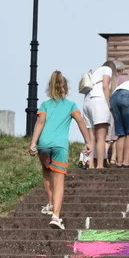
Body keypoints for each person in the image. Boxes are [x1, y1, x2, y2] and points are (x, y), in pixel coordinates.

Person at [28, 70, 93, 231]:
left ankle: (50, 202)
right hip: (60, 146)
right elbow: (81, 122)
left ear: (50, 88)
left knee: (46, 170)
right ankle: (56, 216)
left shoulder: (44, 105)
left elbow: (40, 123)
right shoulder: (71, 105)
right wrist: (88, 142)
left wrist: (33, 143)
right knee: (59, 181)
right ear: (66, 88)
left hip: (44, 145)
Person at [80, 59, 124, 169]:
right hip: (99, 101)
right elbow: (105, 86)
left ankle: (91, 164)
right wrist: (109, 104)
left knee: (91, 137)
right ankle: (100, 165)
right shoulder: (107, 69)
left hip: (87, 102)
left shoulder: (94, 73)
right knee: (101, 136)